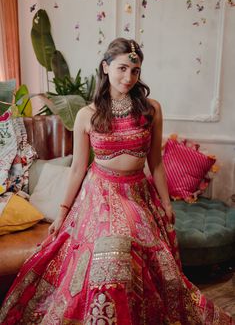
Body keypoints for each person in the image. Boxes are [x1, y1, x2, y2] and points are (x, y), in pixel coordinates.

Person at [0, 38, 234, 325]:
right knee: (111, 257)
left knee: (144, 261)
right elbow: (77, 169)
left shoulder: (151, 109)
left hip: (137, 193)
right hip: (99, 194)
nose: (128, 77)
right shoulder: (88, 114)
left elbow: (156, 163)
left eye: (135, 71)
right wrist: (62, 213)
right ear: (106, 67)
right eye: (122, 68)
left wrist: (165, 202)